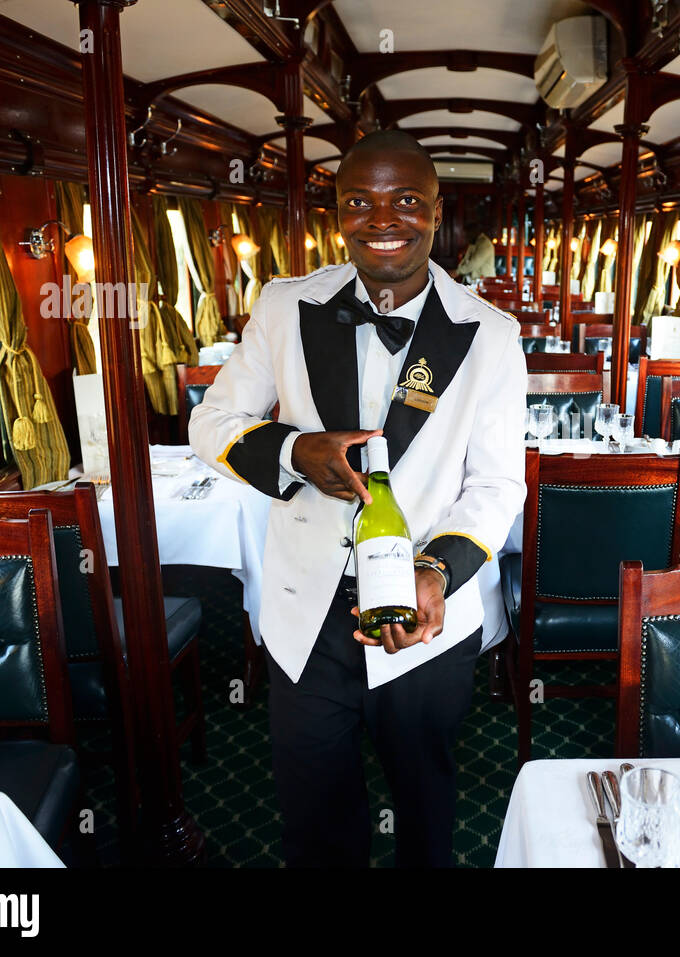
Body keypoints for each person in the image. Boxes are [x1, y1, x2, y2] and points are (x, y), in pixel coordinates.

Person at [189, 130, 526, 867]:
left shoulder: (491, 335)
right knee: (316, 821)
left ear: (438, 214)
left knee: (425, 806)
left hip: (429, 616)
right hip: (306, 611)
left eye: (406, 200)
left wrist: (436, 572)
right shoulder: (283, 307)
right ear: (336, 214)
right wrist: (291, 451)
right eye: (360, 201)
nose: (384, 219)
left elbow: (498, 483)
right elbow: (209, 421)